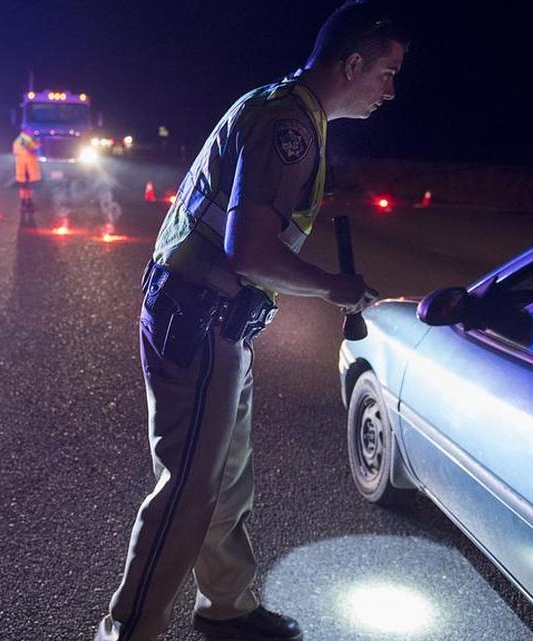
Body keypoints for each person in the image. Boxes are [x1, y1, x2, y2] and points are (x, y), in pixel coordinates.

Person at [93, 4, 408, 640]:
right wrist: (333, 287)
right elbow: (249, 250)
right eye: (387, 70)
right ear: (352, 64)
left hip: (217, 319)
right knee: (189, 491)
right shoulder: (290, 123)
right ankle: (127, 632)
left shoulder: (280, 106)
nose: (390, 89)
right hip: (201, 317)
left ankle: (227, 609)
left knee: (225, 479)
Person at [12, 128, 41, 226]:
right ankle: (25, 203)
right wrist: (35, 144)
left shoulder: (24, 139)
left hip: (25, 167)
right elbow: (33, 148)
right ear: (26, 132)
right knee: (26, 186)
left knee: (26, 186)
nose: (32, 132)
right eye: (30, 131)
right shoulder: (23, 140)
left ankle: (26, 202)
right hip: (26, 167)